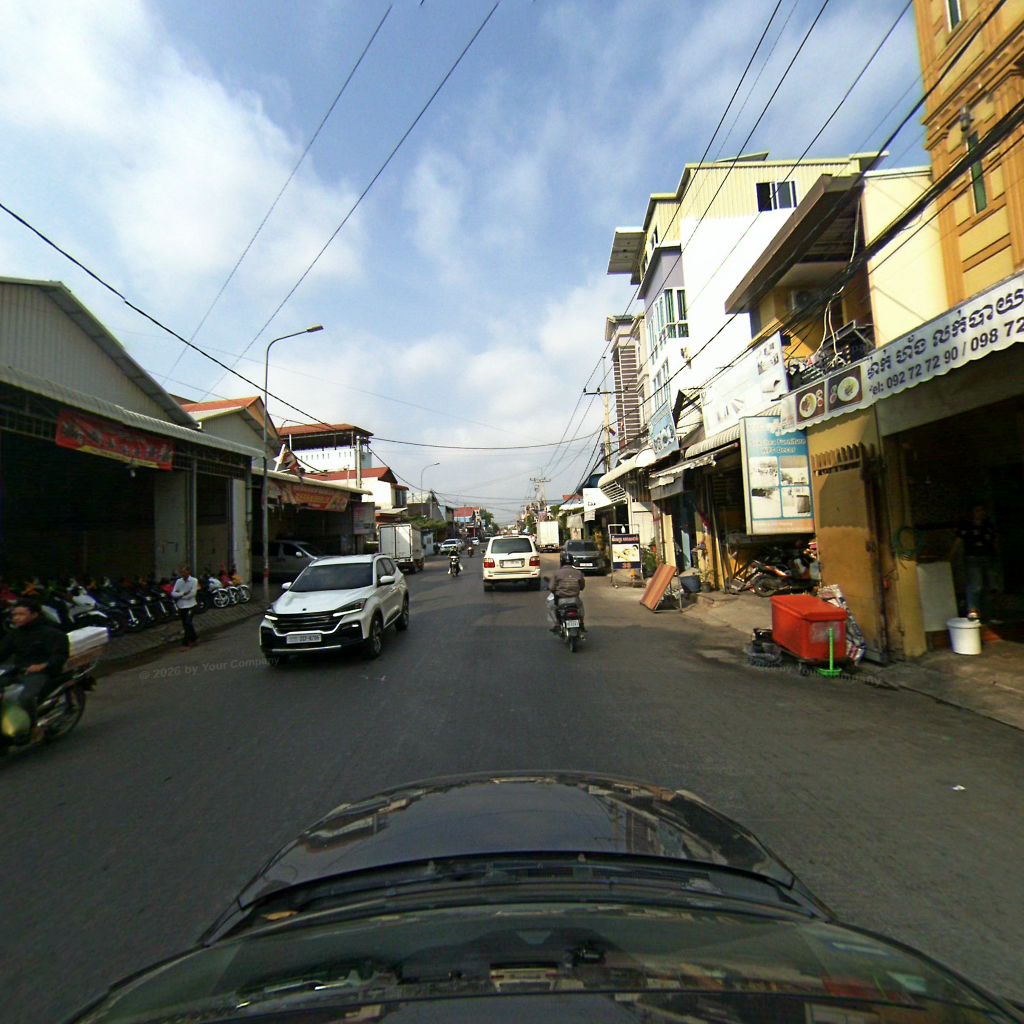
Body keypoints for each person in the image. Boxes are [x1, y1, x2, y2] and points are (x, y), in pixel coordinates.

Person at [0, 597, 70, 739]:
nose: (16, 618)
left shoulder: (51, 633)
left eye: (21, 614)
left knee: (26, 698)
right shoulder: (14, 635)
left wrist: (43, 665)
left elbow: (60, 655)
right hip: (18, 670)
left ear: (34, 615)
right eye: (14, 615)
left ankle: (32, 727)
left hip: (41, 673)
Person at [950, 505, 999, 621]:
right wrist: (951, 555)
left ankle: (987, 613)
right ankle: (972, 610)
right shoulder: (967, 526)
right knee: (976, 585)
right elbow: (958, 541)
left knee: (989, 586)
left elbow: (995, 540)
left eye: (982, 510)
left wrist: (996, 555)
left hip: (988, 557)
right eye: (977, 510)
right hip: (973, 558)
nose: (980, 513)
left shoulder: (988, 526)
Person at [547, 552, 585, 632]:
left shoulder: (557, 573)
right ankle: (581, 623)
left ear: (562, 562)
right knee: (581, 608)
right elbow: (582, 587)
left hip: (561, 600)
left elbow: (551, 587)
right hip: (575, 600)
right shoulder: (578, 573)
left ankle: (557, 624)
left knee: (551, 607)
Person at [171, 566, 199, 649]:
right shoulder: (179, 581)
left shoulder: (194, 581)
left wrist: (182, 596)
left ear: (188, 572)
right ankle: (194, 637)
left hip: (191, 605)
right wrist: (182, 594)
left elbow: (192, 594)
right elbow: (173, 593)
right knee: (185, 623)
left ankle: (186, 642)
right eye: (181, 572)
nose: (183, 574)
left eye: (184, 572)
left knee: (188, 622)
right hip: (181, 606)